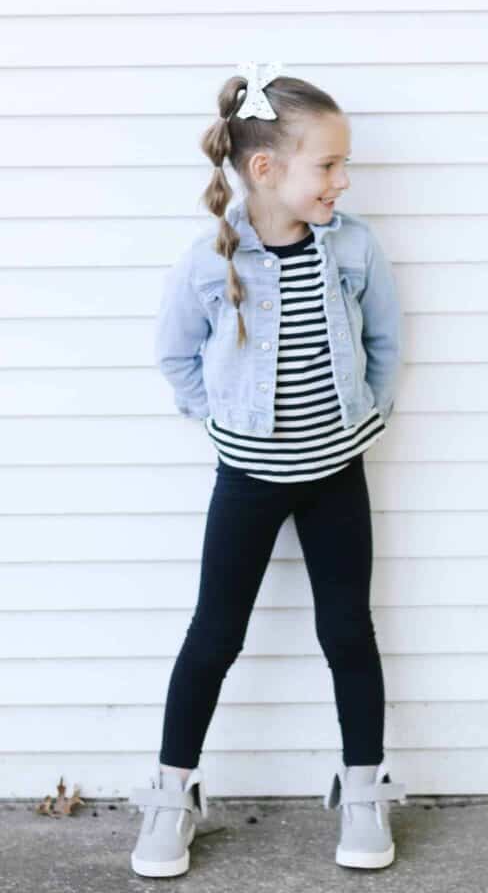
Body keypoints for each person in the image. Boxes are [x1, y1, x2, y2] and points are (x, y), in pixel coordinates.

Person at [128, 62, 406, 878]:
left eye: (341, 166)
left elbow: (385, 342)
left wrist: (367, 417)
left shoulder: (353, 246)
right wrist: (219, 425)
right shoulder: (212, 259)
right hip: (246, 480)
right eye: (328, 165)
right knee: (214, 634)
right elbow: (176, 355)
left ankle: (362, 789)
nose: (343, 181)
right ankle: (172, 793)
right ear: (266, 169)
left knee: (348, 632)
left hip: (335, 476)